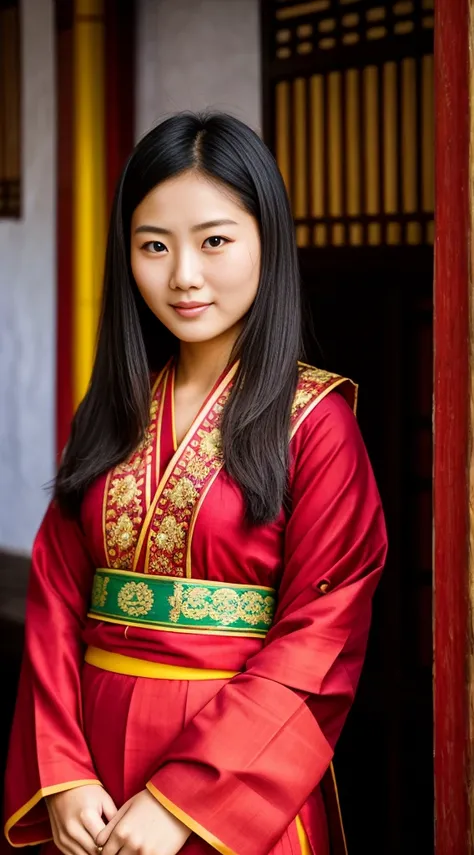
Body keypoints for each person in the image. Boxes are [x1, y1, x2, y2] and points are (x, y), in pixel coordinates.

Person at [3, 112, 387, 855]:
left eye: (214, 240)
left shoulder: (318, 423)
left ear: (267, 241)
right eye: (154, 245)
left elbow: (322, 634)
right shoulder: (113, 407)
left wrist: (182, 799)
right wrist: (63, 773)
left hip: (234, 780)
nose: (183, 274)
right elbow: (55, 594)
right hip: (91, 774)